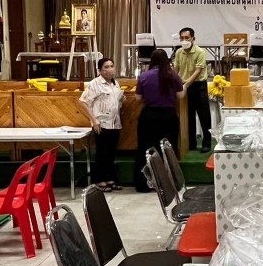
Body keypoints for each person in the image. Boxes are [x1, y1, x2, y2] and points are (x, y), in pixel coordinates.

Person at [134, 49, 185, 192]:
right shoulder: (173, 75)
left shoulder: (144, 76)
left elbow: (138, 98)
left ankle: (144, 184)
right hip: (168, 116)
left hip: (149, 116)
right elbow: (180, 95)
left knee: (146, 150)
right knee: (168, 150)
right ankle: (169, 184)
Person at [79, 58, 124, 191]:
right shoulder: (95, 84)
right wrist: (94, 120)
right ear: (100, 70)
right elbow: (82, 102)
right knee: (102, 153)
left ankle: (110, 179)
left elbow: (116, 101)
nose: (110, 69)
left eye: (111, 66)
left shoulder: (116, 83)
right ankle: (99, 181)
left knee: (111, 153)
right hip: (101, 123)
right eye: (106, 67)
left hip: (115, 123)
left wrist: (122, 99)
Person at [174, 26, 212, 152]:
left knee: (204, 116)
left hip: (199, 86)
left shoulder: (200, 52)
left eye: (187, 38)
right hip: (185, 86)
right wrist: (173, 82)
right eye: (182, 38)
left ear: (193, 38)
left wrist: (185, 85)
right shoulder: (179, 52)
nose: (184, 40)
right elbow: (176, 69)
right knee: (188, 116)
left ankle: (207, 143)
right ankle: (191, 143)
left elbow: (198, 71)